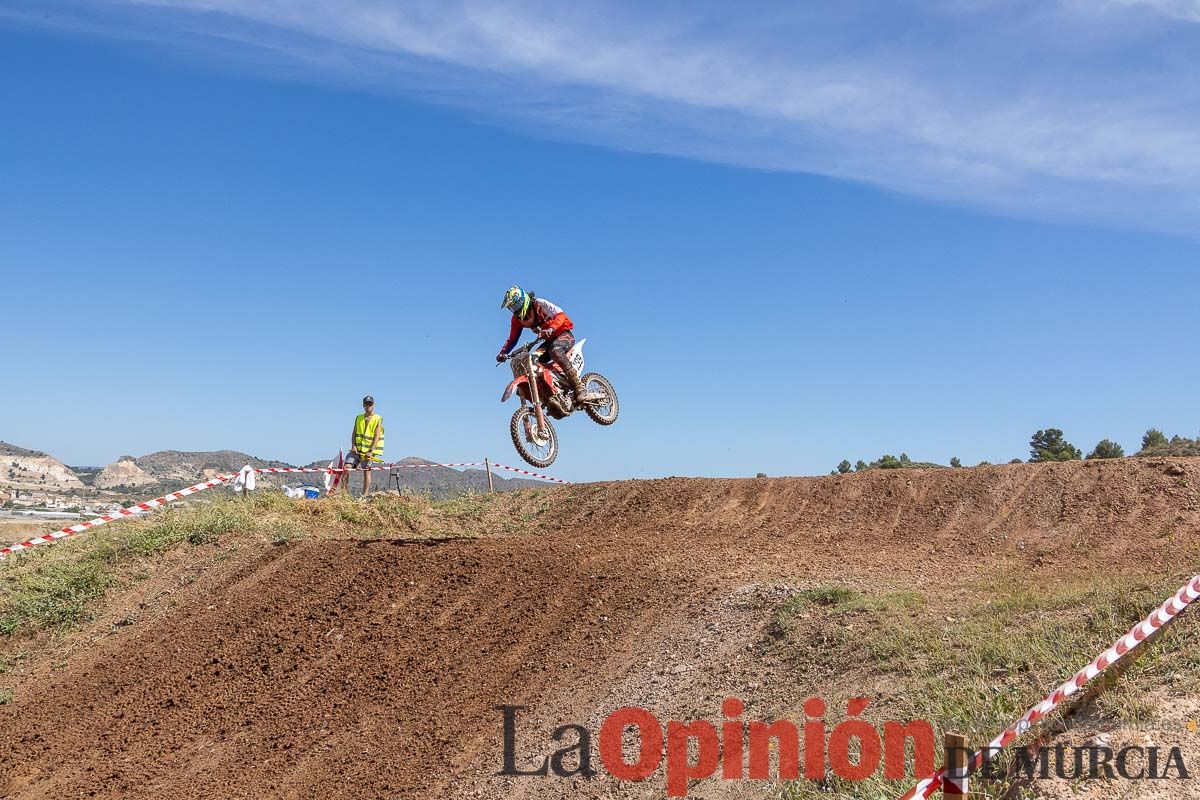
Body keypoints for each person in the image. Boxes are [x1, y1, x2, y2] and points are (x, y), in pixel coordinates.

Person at [496, 286, 600, 403]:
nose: (515, 309)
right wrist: (503, 353)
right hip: (548, 341)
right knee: (532, 360)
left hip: (564, 335)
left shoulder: (539, 304)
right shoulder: (517, 319)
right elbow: (513, 338)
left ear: (523, 300)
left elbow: (560, 315)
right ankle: (551, 391)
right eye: (512, 307)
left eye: (516, 305)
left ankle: (579, 387)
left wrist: (551, 328)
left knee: (555, 351)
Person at [342, 395, 385, 497]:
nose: (368, 406)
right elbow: (354, 433)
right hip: (356, 450)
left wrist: (370, 450)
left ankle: (364, 496)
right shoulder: (358, 418)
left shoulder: (378, 419)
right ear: (363, 405)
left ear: (373, 405)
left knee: (366, 471)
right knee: (346, 468)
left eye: (370, 404)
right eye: (366, 404)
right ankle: (344, 493)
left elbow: (376, 436)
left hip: (368, 452)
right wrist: (353, 446)